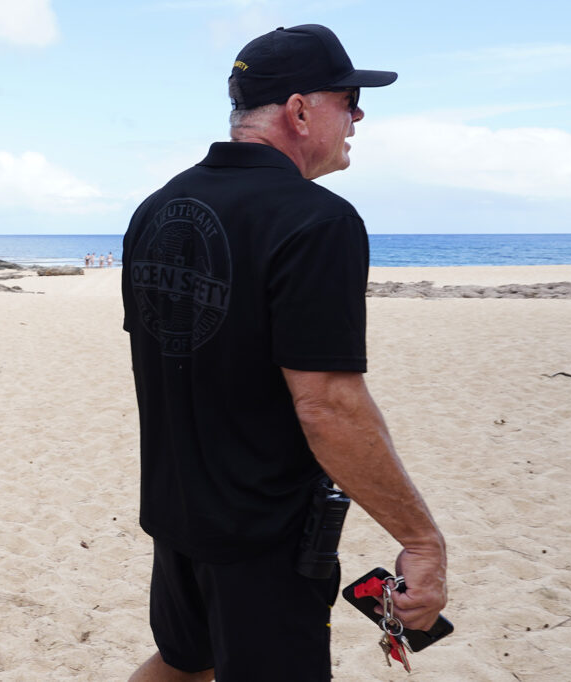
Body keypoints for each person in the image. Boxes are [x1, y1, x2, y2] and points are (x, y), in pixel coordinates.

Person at [121, 24, 447, 681]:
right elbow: (328, 406)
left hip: (176, 512)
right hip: (263, 535)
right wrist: (419, 539)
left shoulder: (158, 208)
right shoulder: (316, 220)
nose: (358, 115)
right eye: (346, 99)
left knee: (184, 665)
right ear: (299, 111)